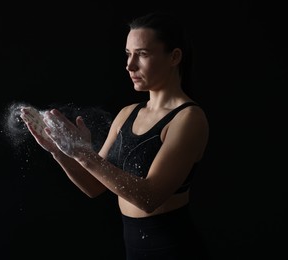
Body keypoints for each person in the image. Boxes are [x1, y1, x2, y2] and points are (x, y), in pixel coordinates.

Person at [20, 10, 210, 260]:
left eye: (142, 54)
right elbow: (94, 186)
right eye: (128, 54)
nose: (130, 65)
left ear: (174, 57)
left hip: (174, 250)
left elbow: (149, 197)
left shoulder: (189, 118)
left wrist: (82, 153)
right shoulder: (127, 113)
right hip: (134, 250)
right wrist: (60, 151)